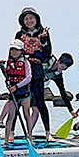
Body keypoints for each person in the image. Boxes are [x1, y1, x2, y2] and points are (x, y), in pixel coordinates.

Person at [14, 7, 53, 137]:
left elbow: (47, 54)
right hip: (21, 70)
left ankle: (48, 132)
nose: (29, 21)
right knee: (18, 102)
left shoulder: (44, 34)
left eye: (31, 18)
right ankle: (11, 133)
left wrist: (42, 44)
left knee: (40, 101)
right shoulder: (19, 35)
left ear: (36, 19)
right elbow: (14, 53)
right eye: (26, 19)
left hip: (36, 70)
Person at [3, 39, 33, 145]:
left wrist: (17, 86)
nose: (14, 52)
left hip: (24, 92)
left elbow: (28, 78)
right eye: (13, 49)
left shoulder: (25, 62)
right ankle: (6, 139)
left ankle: (29, 137)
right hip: (13, 94)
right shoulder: (7, 63)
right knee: (11, 116)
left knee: (26, 114)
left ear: (21, 51)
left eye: (17, 50)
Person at [41, 53, 77, 133]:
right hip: (26, 83)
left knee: (38, 110)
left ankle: (42, 133)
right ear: (58, 61)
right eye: (62, 67)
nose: (61, 70)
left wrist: (71, 110)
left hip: (37, 87)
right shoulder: (46, 60)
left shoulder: (57, 75)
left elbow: (62, 92)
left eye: (64, 69)